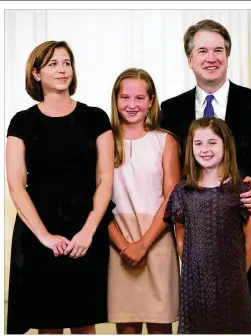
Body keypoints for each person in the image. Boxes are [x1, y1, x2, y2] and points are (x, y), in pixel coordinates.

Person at [160, 19, 251, 334]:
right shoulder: (170, 110)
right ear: (190, 59)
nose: (210, 57)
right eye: (202, 51)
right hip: (200, 251)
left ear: (227, 55)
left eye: (218, 50)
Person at [6, 40, 115, 334]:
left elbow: (105, 179)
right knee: (47, 325)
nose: (62, 69)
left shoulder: (96, 118)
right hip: (38, 233)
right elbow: (16, 186)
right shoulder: (22, 122)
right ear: (37, 73)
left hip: (85, 229)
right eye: (53, 63)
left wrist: (89, 231)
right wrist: (44, 237)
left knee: (84, 323)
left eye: (66, 62)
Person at [164, 116, 251, 334]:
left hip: (233, 283)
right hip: (194, 284)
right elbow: (180, 235)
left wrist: (237, 274)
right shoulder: (182, 192)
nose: (205, 149)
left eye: (212, 142)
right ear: (191, 147)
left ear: (225, 145)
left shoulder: (242, 190)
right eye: (198, 143)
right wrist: (195, 268)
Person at [107, 68, 180, 334]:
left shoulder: (165, 141)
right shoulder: (105, 141)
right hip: (118, 243)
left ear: (151, 100)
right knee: (127, 326)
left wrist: (143, 244)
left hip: (157, 239)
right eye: (125, 97)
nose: (132, 104)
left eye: (139, 98)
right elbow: (98, 201)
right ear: (115, 99)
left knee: (160, 325)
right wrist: (125, 245)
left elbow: (171, 195)